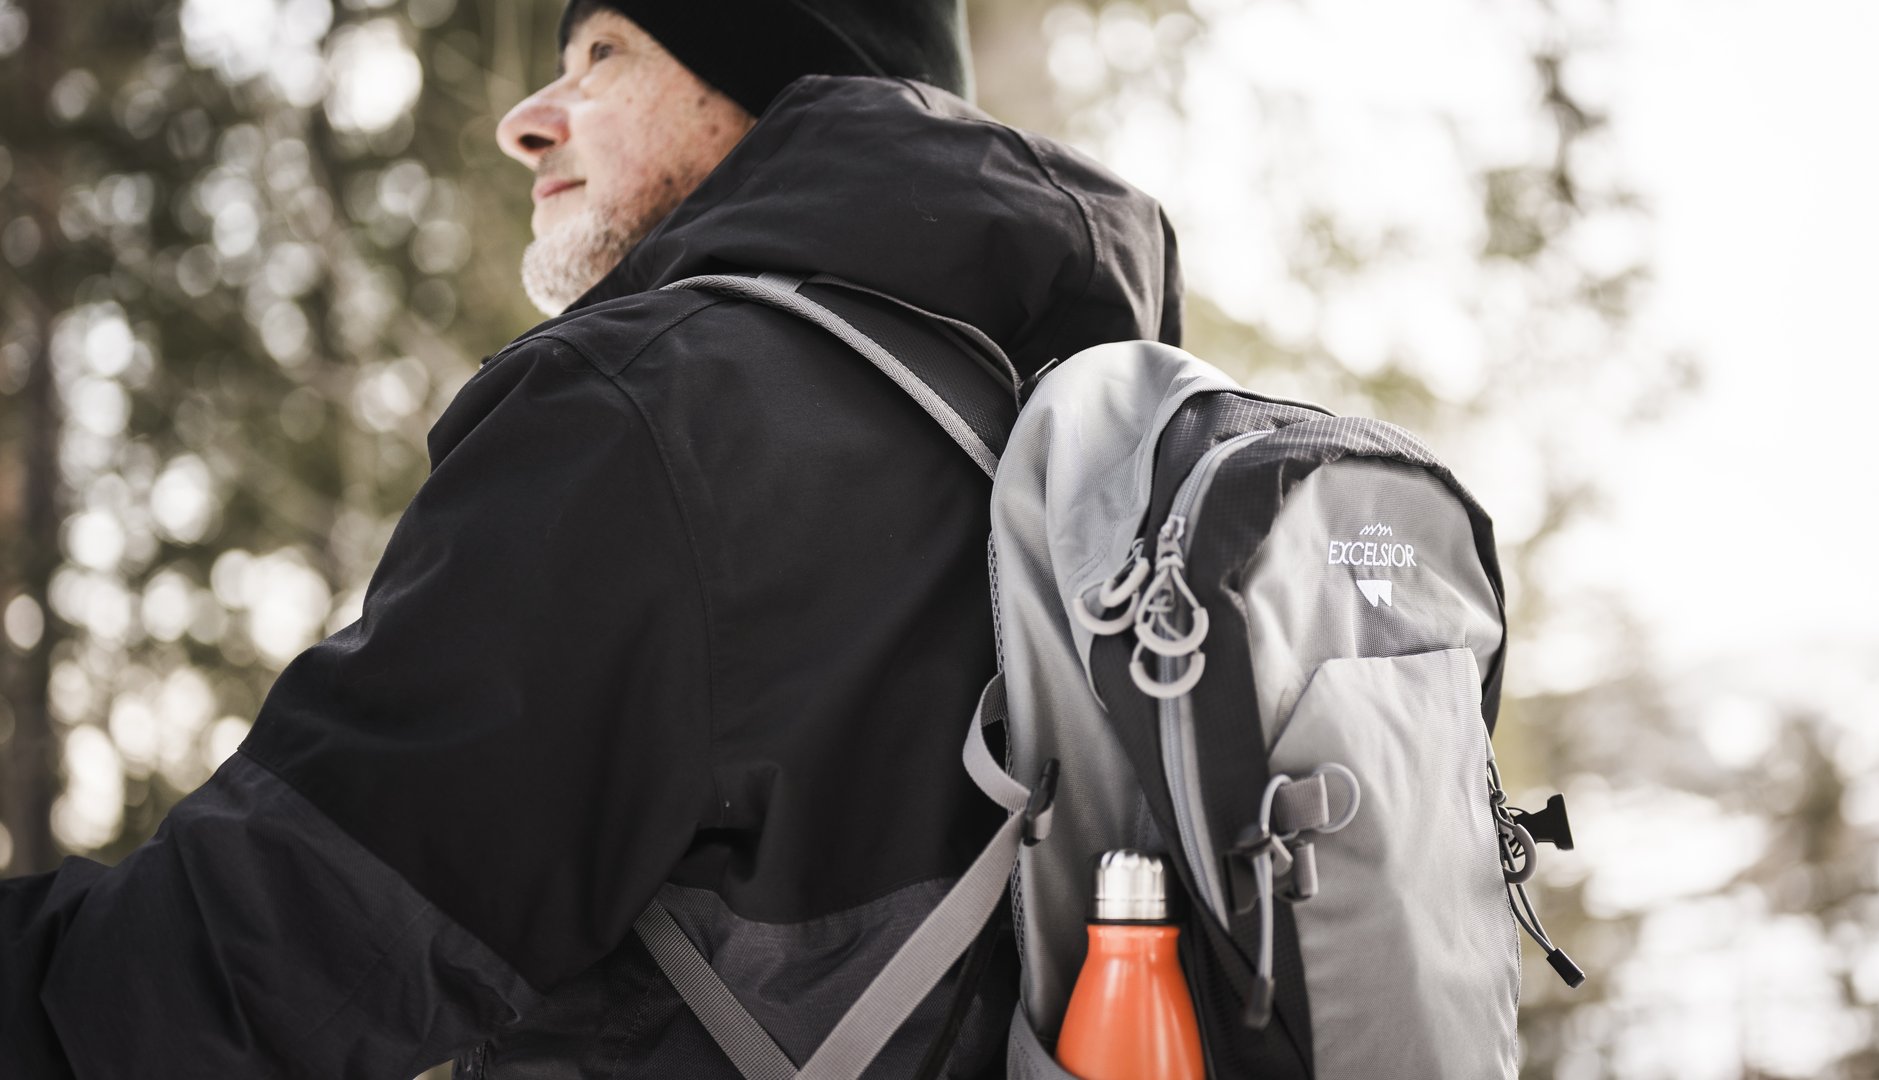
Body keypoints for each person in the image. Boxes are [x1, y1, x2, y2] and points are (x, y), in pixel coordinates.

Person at [0, 0, 1182, 1075]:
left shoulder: (654, 412)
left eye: (604, 54)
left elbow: (261, 958)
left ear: (790, 92)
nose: (526, 121)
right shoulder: (1095, 448)